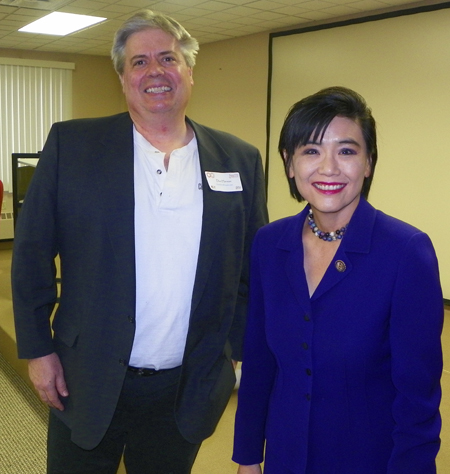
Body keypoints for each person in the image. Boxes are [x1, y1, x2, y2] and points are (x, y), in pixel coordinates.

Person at [12, 10, 268, 474]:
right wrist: (37, 348)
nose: (155, 72)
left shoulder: (239, 159)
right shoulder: (73, 146)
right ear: (123, 77)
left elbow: (250, 272)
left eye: (168, 58)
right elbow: (30, 253)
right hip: (83, 376)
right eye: (139, 62)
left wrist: (234, 355)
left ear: (189, 70)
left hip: (185, 390)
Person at [232, 86, 443, 474]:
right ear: (289, 163)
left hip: (368, 458)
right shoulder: (269, 244)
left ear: (368, 163)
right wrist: (248, 456)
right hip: (285, 456)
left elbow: (418, 398)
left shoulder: (405, 251)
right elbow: (260, 362)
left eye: (346, 151)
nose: (328, 168)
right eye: (311, 150)